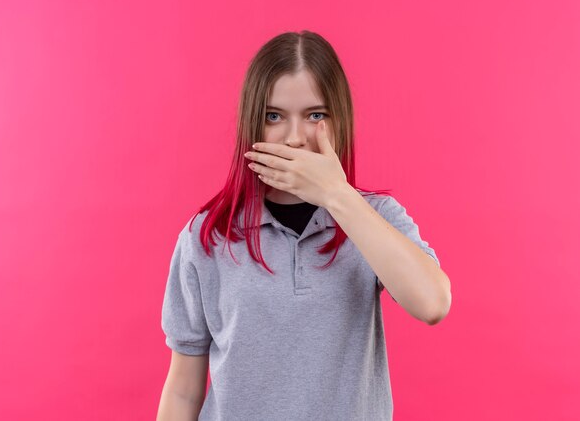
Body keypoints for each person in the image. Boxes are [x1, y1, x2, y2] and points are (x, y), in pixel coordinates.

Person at [156, 30, 451, 421]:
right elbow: (182, 391)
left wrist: (338, 196)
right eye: (274, 116)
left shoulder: (374, 217)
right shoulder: (207, 236)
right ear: (252, 124)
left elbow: (432, 303)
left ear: (339, 119)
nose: (294, 139)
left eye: (316, 115)